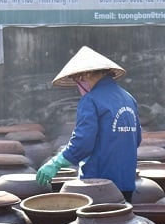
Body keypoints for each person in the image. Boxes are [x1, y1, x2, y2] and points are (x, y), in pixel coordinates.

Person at [36, 46, 142, 201]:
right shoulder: (128, 98)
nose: (78, 84)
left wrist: (56, 162)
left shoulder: (90, 100)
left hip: (98, 184)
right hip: (127, 182)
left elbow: (83, 143)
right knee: (122, 222)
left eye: (77, 79)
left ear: (85, 74)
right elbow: (137, 139)